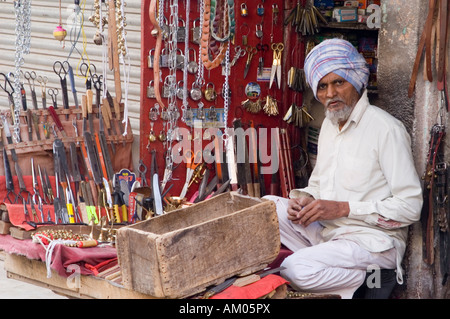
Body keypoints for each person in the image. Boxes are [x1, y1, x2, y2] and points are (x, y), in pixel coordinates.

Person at [264, 38, 423, 298]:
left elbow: (410, 207)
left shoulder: (386, 130)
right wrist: (303, 200)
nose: (330, 94)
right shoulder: (329, 124)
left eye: (339, 82)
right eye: (323, 86)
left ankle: (363, 280)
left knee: (294, 268)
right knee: (267, 208)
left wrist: (345, 207)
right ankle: (327, 264)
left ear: (358, 82)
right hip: (331, 231)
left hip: (372, 241)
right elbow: (319, 184)